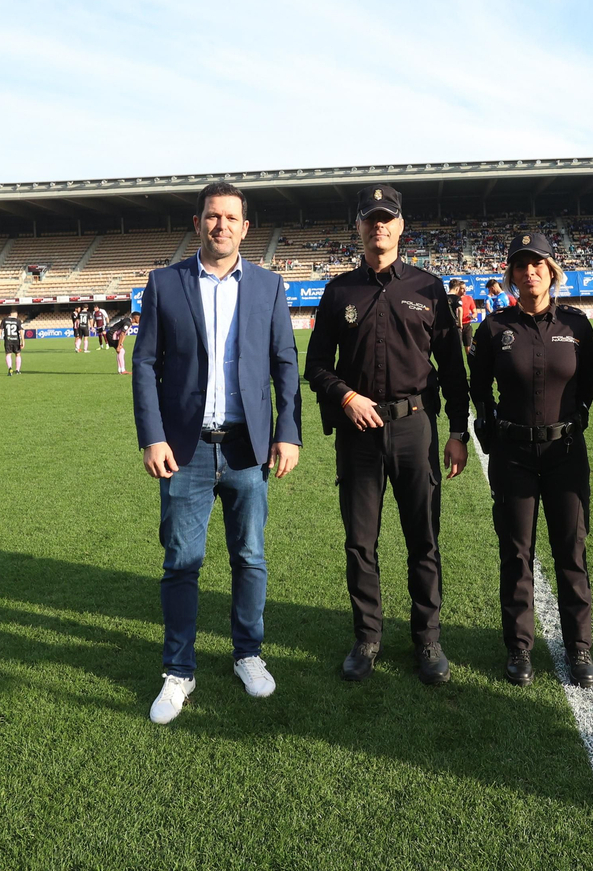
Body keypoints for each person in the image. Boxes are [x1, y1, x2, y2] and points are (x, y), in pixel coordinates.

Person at [132, 181, 302, 725]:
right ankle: (178, 669)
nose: (221, 225)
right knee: (181, 563)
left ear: (245, 228)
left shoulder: (269, 286)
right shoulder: (165, 283)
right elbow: (145, 365)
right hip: (184, 451)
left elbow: (285, 364)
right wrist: (152, 436)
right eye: (212, 216)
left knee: (249, 557)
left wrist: (288, 432)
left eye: (231, 217)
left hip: (248, 448)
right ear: (198, 223)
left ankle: (248, 653)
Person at [304, 184, 470, 686]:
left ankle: (428, 639)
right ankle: (367, 638)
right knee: (360, 542)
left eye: (387, 217)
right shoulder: (339, 291)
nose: (379, 225)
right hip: (358, 433)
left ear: (400, 226)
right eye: (370, 217)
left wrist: (458, 431)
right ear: (358, 226)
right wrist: (346, 397)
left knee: (423, 539)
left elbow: (453, 369)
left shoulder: (428, 288)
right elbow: (316, 365)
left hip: (415, 428)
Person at [469, 231, 593, 688]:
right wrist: (489, 429)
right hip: (514, 457)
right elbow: (478, 386)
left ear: (551, 271)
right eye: (521, 266)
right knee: (516, 554)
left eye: (538, 264)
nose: (530, 273)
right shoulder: (494, 328)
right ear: (511, 275)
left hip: (566, 455)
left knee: (571, 552)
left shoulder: (577, 326)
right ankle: (519, 647)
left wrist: (574, 422)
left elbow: (588, 385)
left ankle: (579, 647)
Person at [450, 279, 477, 355]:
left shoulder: (469, 298)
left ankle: (470, 361)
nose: (465, 290)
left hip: (467, 325)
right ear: (458, 288)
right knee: (456, 348)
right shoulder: (454, 299)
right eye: (462, 288)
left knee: (468, 348)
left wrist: (472, 316)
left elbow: (475, 312)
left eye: (465, 288)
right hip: (456, 325)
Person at [0, 309, 24, 375]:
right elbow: (21, 331)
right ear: (15, 314)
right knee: (18, 354)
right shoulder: (18, 321)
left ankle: (10, 368)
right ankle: (17, 370)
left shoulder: (4, 320)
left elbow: (0, 329)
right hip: (16, 340)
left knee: (8, 354)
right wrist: (23, 341)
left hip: (8, 340)